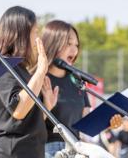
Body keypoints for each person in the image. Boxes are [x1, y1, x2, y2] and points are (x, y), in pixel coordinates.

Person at [41, 20, 122, 158]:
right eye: (68, 44)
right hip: (47, 150)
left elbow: (86, 121)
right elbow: (28, 124)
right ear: (52, 43)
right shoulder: (40, 79)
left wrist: (108, 122)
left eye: (76, 45)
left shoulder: (76, 80)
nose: (74, 50)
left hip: (76, 148)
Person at [0, 6, 58, 158]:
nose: (37, 38)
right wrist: (40, 71)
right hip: (11, 152)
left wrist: (46, 106)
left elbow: (27, 122)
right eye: (35, 31)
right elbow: (18, 109)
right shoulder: (3, 65)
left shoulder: (22, 70)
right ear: (22, 34)